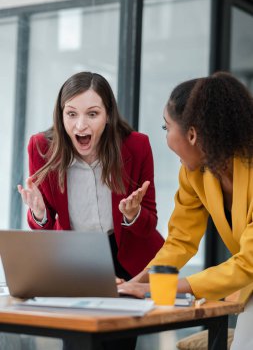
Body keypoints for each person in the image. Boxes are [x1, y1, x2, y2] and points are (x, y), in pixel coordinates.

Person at [117, 71, 253, 350]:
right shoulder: (194, 173)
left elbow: (247, 263)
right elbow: (180, 240)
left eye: (167, 127)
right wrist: (133, 285)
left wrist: (158, 289)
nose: (165, 137)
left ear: (192, 134)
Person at [18, 71, 164, 282]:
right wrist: (39, 213)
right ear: (61, 115)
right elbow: (46, 226)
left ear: (108, 116)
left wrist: (133, 214)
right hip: (76, 258)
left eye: (93, 114)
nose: (81, 125)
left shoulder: (136, 146)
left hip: (134, 260)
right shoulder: (41, 148)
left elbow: (149, 225)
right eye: (72, 114)